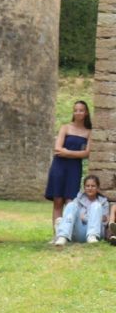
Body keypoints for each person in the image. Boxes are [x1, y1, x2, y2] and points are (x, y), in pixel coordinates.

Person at [46, 100, 92, 238]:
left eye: (81, 110)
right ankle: (57, 235)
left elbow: (86, 153)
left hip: (74, 168)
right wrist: (72, 153)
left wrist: (67, 153)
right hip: (59, 167)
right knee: (58, 201)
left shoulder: (89, 132)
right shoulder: (65, 128)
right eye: (76, 110)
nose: (78, 112)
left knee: (70, 201)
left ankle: (68, 234)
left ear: (86, 113)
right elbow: (57, 149)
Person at [54, 174, 109, 246]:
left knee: (96, 205)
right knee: (71, 205)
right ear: (84, 187)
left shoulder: (103, 202)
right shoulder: (78, 199)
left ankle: (92, 236)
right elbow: (71, 216)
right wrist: (92, 217)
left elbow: (104, 221)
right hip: (79, 231)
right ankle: (62, 236)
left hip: (96, 233)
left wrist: (84, 218)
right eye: (87, 186)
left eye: (93, 186)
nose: (90, 188)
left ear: (97, 188)